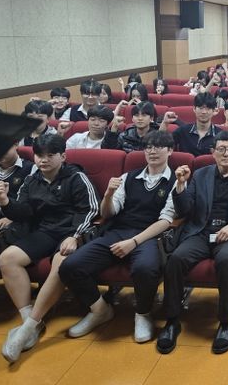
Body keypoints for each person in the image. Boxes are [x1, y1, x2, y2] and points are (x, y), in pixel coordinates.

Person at [156, 131, 228, 355]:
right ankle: (172, 321)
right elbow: (185, 210)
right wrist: (181, 186)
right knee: (176, 259)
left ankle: (226, 322)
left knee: (226, 261)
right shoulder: (201, 175)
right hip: (201, 232)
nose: (226, 154)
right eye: (221, 149)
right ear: (213, 152)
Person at [59, 131, 176, 343]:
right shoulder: (128, 177)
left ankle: (143, 313)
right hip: (118, 231)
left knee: (145, 268)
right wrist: (108, 195)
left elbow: (166, 221)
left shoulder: (175, 181)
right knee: (70, 266)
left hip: (149, 236)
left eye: (158, 147)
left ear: (170, 151)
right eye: (148, 147)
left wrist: (134, 242)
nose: (152, 151)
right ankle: (99, 310)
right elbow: (108, 213)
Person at [0, 134, 99, 363]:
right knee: (8, 258)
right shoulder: (32, 180)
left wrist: (74, 236)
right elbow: (23, 212)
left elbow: (90, 210)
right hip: (44, 231)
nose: (43, 160)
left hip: (72, 232)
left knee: (62, 261)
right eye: (39, 155)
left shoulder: (76, 177)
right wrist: (4, 202)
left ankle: (27, 327)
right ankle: (30, 322)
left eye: (50, 155)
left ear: (63, 156)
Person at [0, 141, 34, 331]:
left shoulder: (30, 169)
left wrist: (11, 217)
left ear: (16, 144)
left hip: (11, 224)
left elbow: (35, 203)